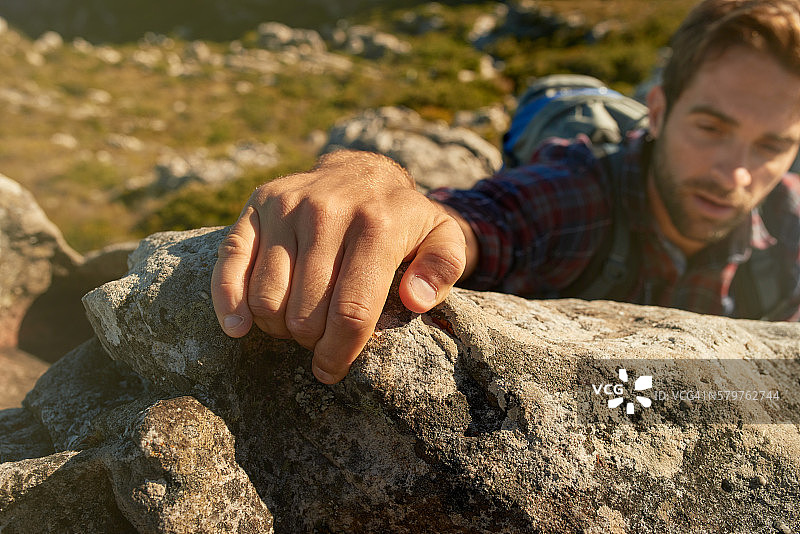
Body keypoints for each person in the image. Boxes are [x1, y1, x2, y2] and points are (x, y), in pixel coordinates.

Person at [211, 0, 800, 384]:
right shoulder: (575, 197)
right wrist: (383, 194)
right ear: (659, 109)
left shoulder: (791, 222)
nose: (736, 175)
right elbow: (478, 222)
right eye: (711, 128)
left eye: (771, 145)